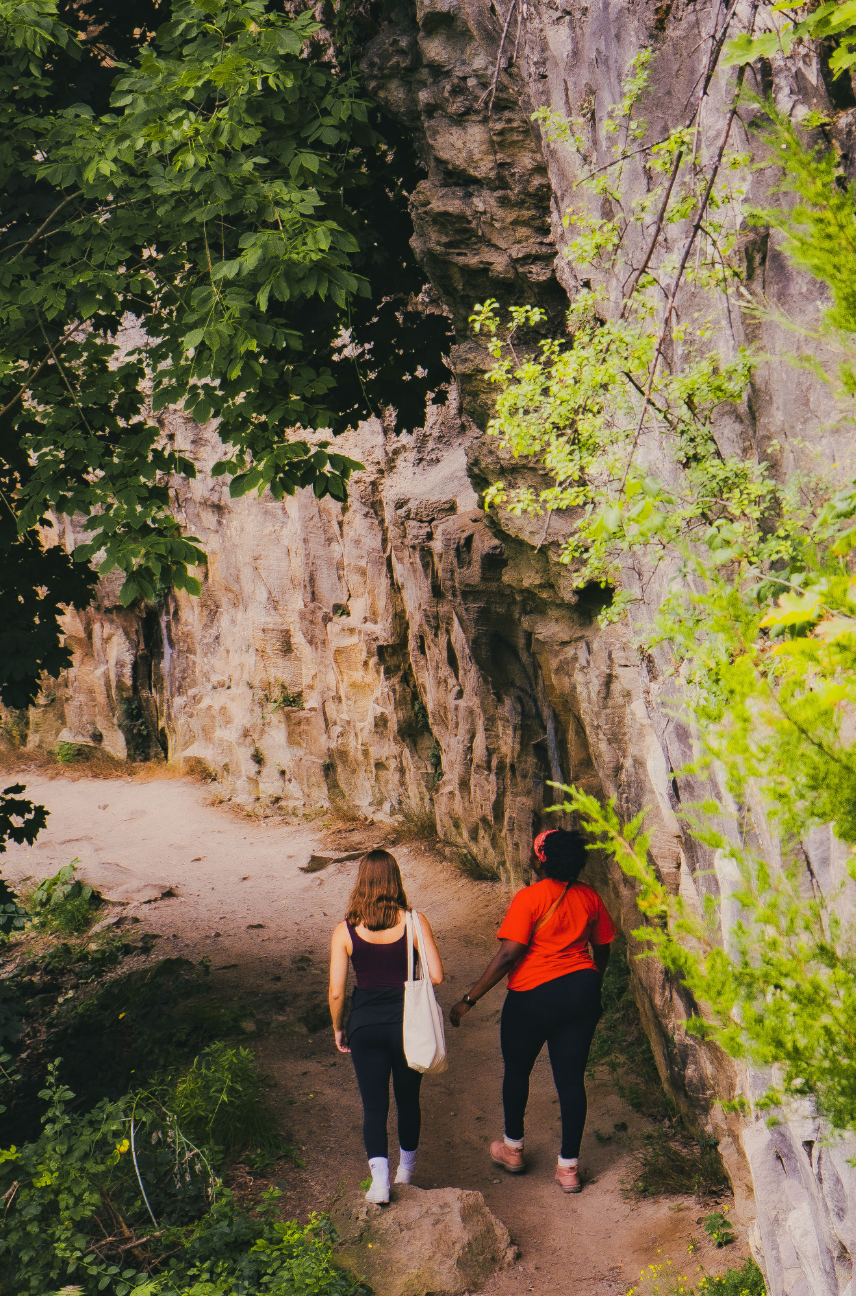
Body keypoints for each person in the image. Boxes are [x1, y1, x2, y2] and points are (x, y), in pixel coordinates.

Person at [449, 827, 616, 1193]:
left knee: (517, 1070)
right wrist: (594, 981)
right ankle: (568, 1169)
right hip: (581, 991)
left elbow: (509, 954)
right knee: (571, 1081)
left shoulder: (530, 898)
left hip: (533, 995)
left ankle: (512, 1150)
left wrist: (469, 999)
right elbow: (603, 946)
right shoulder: (590, 896)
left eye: (532, 850)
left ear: (541, 859)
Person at [329, 848, 444, 1204]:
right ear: (395, 880)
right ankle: (405, 1174)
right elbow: (437, 976)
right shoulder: (415, 921)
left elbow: (336, 992)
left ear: (361, 882)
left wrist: (339, 1027)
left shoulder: (345, 930)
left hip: (365, 1026)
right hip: (408, 1026)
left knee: (374, 1107)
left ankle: (380, 1183)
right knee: (408, 1101)